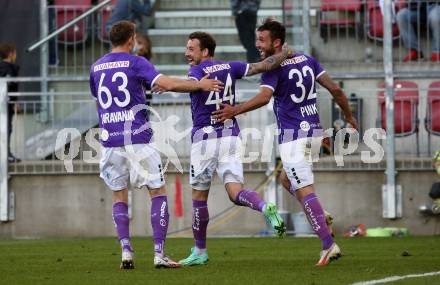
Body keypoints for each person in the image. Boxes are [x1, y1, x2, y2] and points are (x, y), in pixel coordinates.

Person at [213, 19, 358, 266]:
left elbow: (263, 97)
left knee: (304, 189)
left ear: (277, 42)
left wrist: (235, 110)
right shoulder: (307, 59)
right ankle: (321, 214)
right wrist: (348, 116)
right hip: (314, 133)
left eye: (262, 40)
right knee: (285, 179)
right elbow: (336, 89)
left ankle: (328, 245)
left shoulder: (274, 69)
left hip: (293, 137)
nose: (257, 44)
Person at [89, 21, 223, 269]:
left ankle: (126, 252)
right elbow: (169, 84)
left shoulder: (96, 67)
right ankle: (159, 253)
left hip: (110, 140)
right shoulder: (136, 62)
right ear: (131, 39)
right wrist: (200, 85)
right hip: (138, 137)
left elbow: (99, 103)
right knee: (157, 191)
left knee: (119, 194)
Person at [178, 31, 292, 267]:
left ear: (205, 51)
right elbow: (262, 66)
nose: (187, 53)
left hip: (205, 139)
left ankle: (200, 251)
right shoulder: (232, 66)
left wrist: (164, 85)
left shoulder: (198, 72)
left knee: (199, 197)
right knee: (235, 191)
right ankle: (264, 206)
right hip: (230, 135)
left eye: (191, 49)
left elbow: (187, 86)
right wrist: (284, 53)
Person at [0, 43, 21, 163]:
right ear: (10, 54)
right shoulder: (7, 69)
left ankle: (6, 154)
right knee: (6, 129)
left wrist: (15, 102)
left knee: (7, 128)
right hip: (4, 104)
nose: (16, 55)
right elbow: (8, 86)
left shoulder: (9, 68)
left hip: (7, 103)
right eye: (15, 52)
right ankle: (5, 155)